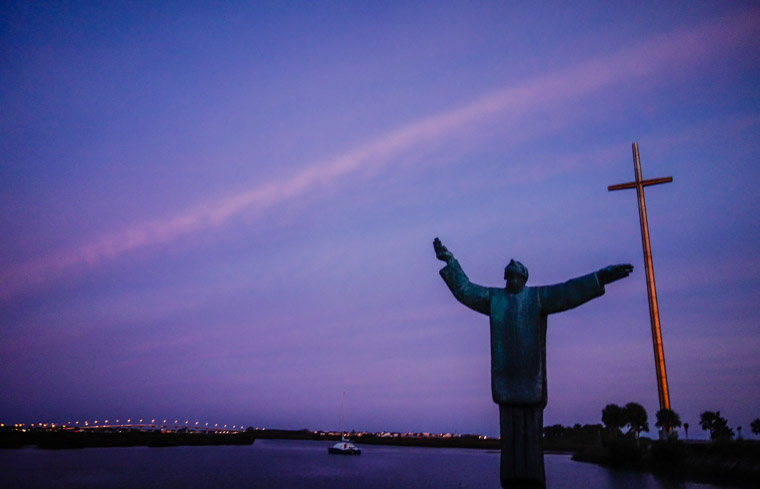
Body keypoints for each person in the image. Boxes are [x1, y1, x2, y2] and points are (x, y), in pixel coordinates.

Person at [433, 237, 632, 488]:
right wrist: (451, 262)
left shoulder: (536, 298)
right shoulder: (496, 299)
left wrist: (599, 278)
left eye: (515, 276)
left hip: (530, 378)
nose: (510, 281)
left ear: (523, 279)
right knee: (510, 436)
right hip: (506, 379)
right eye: (508, 276)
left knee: (531, 435)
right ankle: (511, 477)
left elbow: (568, 291)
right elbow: (466, 290)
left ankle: (532, 479)